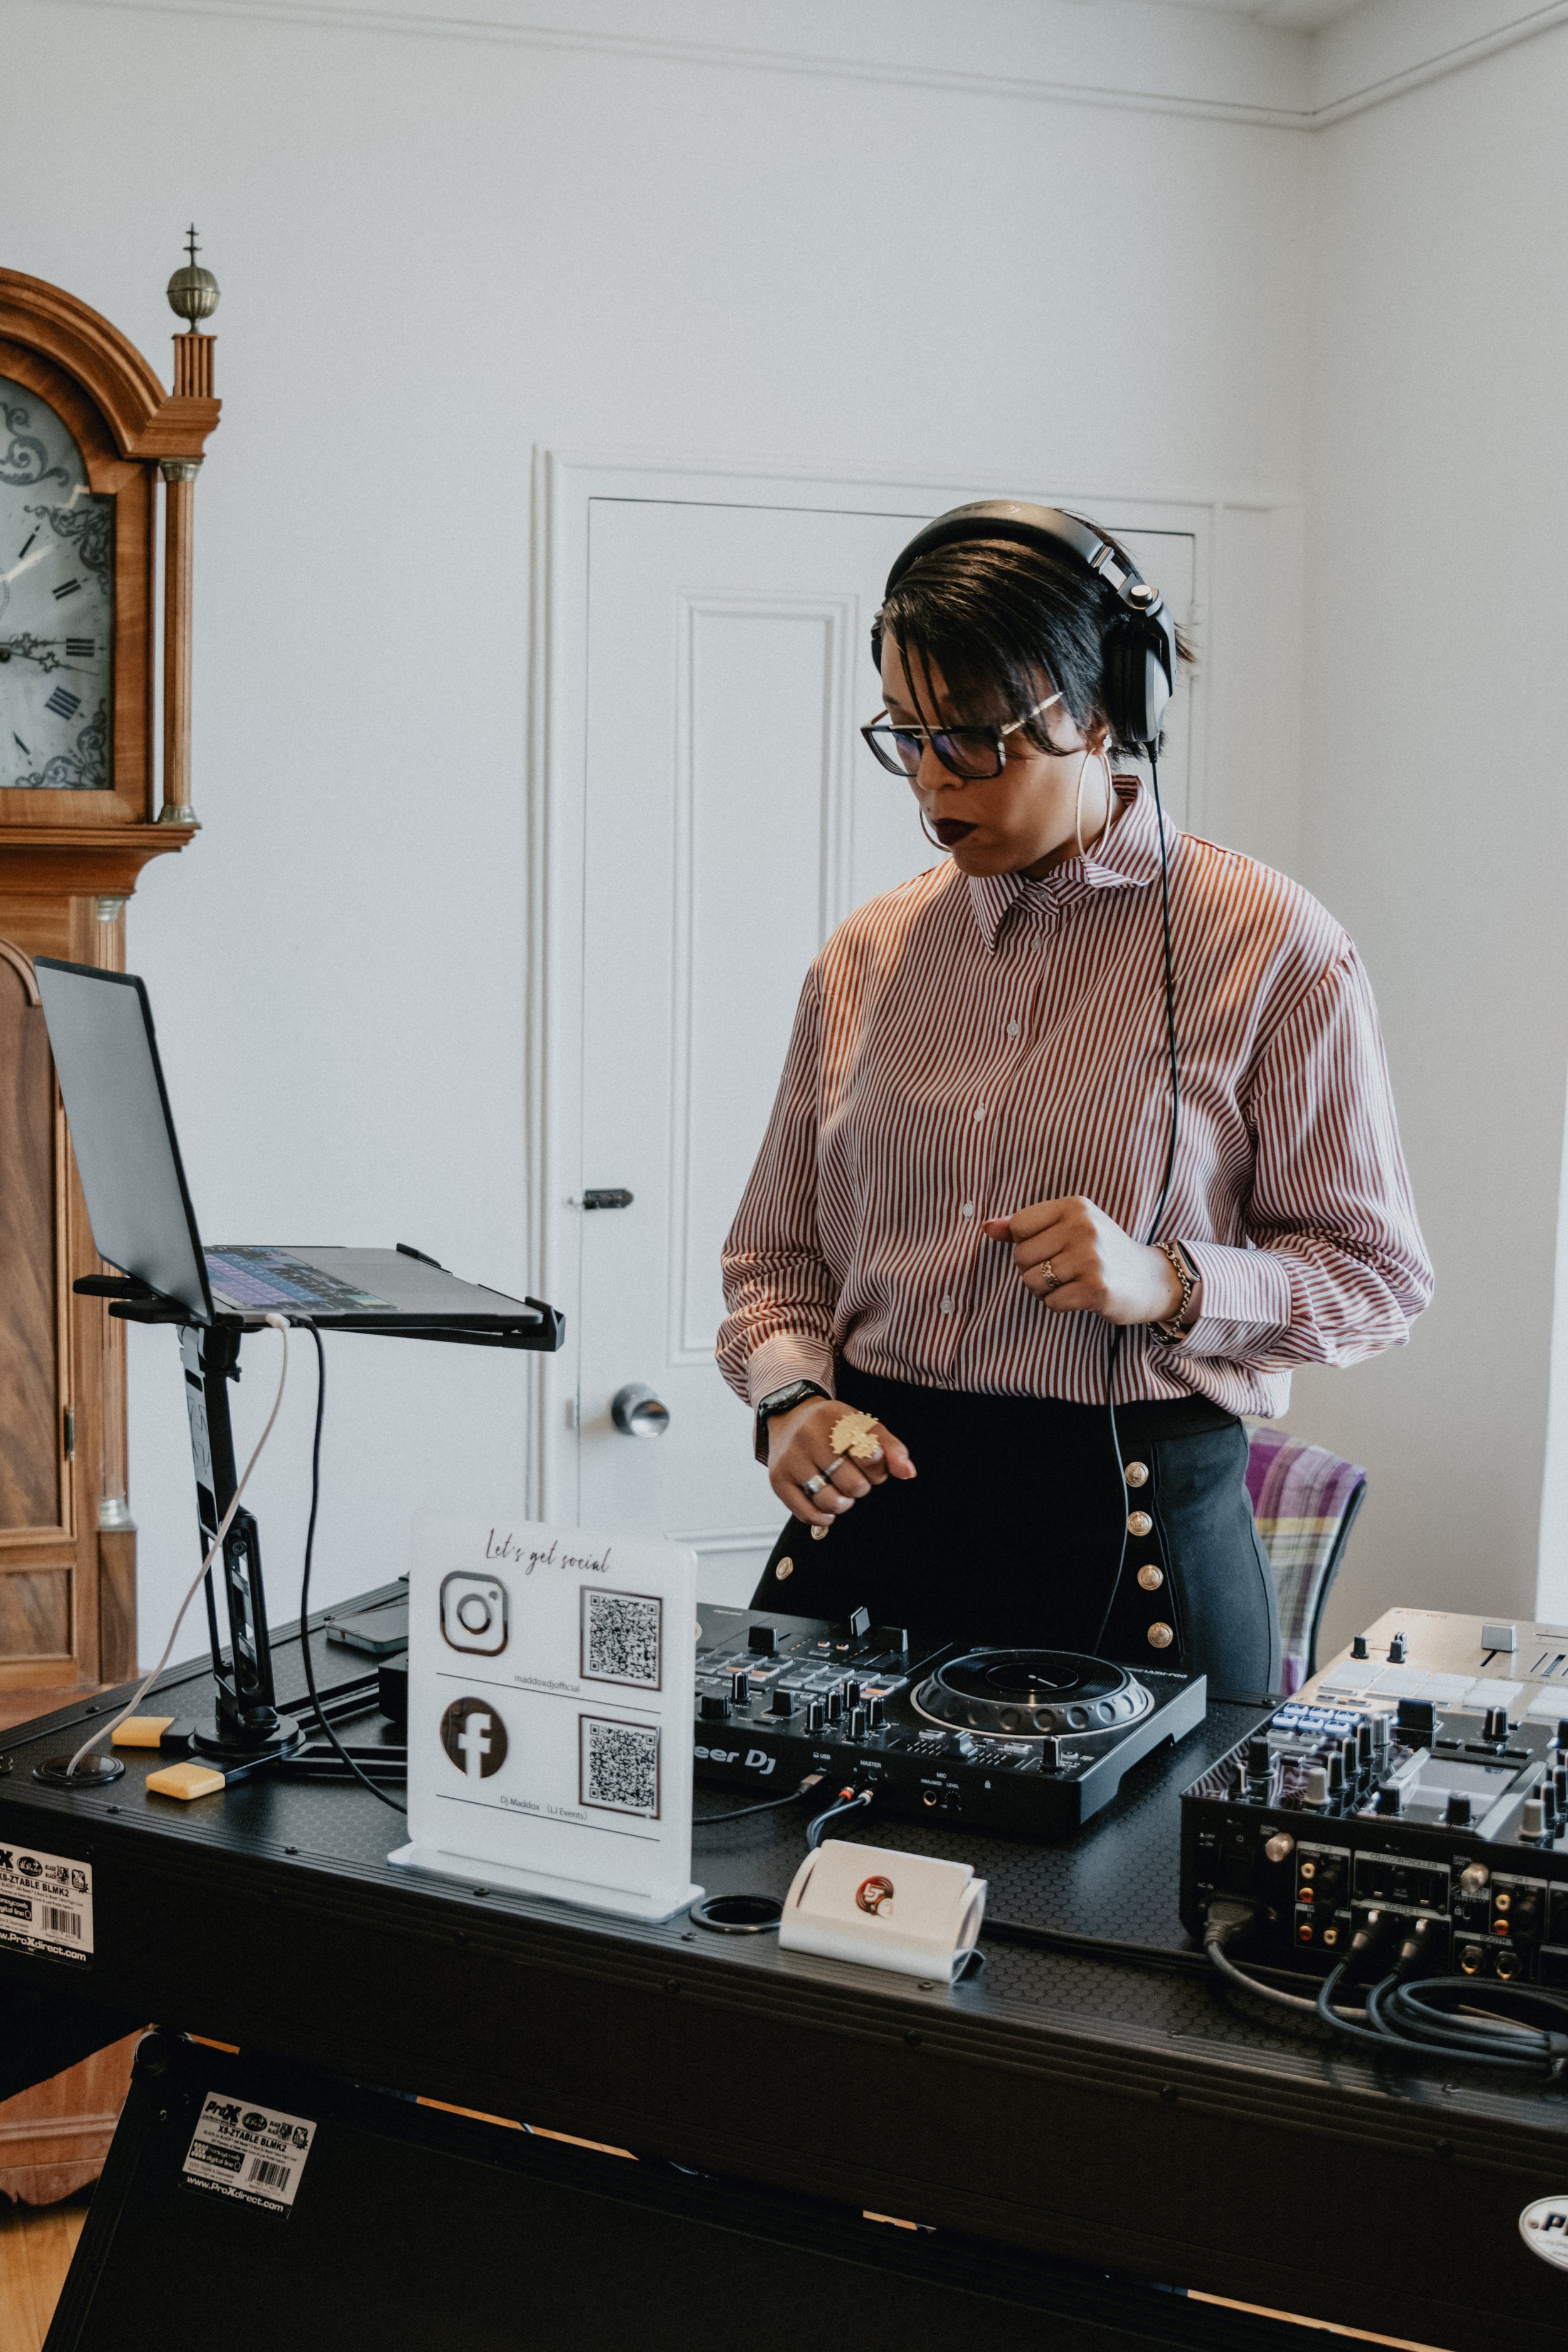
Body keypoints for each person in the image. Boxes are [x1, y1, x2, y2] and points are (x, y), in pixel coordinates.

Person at [716, 505, 1433, 1695]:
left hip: (1135, 1565)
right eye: (908, 735)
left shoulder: (1274, 946)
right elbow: (774, 1255)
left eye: (979, 739)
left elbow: (1380, 1277)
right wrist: (791, 1392)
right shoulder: (866, 955)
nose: (935, 780)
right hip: (875, 1550)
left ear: (1108, 710)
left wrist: (1174, 1281)